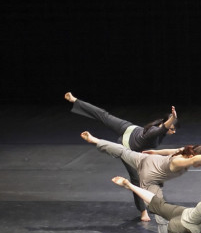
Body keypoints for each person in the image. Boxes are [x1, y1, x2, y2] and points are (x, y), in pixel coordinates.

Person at [81, 131, 201, 233]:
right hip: (149, 178)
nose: (200, 165)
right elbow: (194, 159)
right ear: (194, 157)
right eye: (200, 163)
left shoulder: (186, 150)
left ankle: (95, 140)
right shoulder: (181, 161)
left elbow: (171, 151)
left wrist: (155, 152)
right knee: (161, 212)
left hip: (147, 159)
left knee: (123, 151)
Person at [65, 92, 177, 221]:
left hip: (130, 129)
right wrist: (172, 118)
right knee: (136, 179)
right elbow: (162, 128)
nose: (173, 132)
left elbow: (162, 130)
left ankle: (74, 100)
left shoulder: (155, 128)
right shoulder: (156, 132)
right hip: (126, 147)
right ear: (165, 125)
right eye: (172, 129)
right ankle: (142, 211)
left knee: (104, 116)